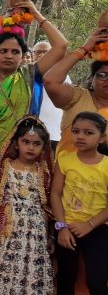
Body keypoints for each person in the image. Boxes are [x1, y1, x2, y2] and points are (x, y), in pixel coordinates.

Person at [0, 0, 67, 286]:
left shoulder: (29, 77)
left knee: (16, 228)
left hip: (22, 167)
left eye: (15, 52)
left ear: (24, 56)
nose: (9, 56)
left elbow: (61, 46)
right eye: (3, 51)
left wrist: (35, 11)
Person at [0, 116, 54, 294]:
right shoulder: (6, 166)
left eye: (36, 143)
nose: (30, 147)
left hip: (36, 231)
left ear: (43, 147)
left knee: (33, 268)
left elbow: (48, 204)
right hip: (9, 228)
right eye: (25, 142)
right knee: (4, 265)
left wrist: (51, 235)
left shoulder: (44, 170)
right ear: (16, 143)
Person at [51, 112, 108, 295]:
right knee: (66, 278)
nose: (80, 136)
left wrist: (89, 225)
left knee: (97, 283)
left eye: (88, 133)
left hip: (98, 228)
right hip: (67, 227)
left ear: (102, 138)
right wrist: (61, 227)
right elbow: (55, 193)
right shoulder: (65, 159)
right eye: (76, 131)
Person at [43, 29, 108, 158]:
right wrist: (84, 49)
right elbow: (50, 81)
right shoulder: (78, 97)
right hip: (65, 175)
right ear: (91, 78)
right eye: (103, 75)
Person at [33, 41, 69, 151]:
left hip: (53, 135)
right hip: (28, 134)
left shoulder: (62, 76)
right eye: (38, 52)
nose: (41, 55)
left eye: (46, 52)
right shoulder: (24, 76)